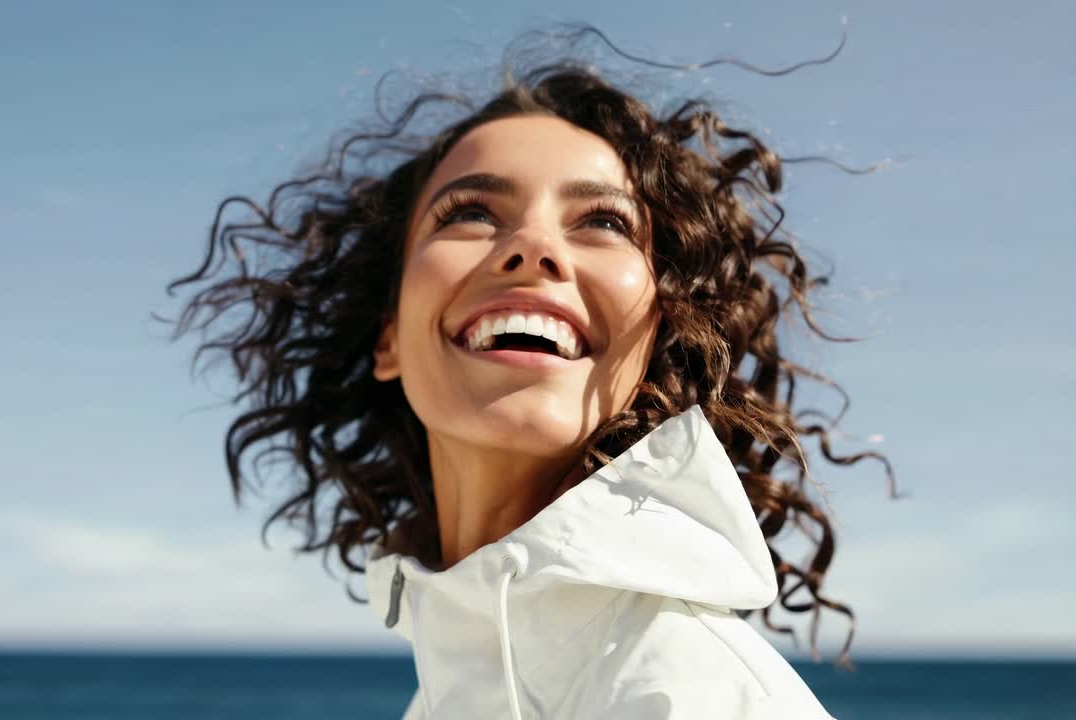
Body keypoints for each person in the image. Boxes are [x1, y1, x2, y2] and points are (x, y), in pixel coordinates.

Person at [165, 25, 894, 720]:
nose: (533, 246)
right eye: (471, 212)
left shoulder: (695, 693)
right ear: (387, 336)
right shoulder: (442, 695)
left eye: (604, 222)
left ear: (656, 340)